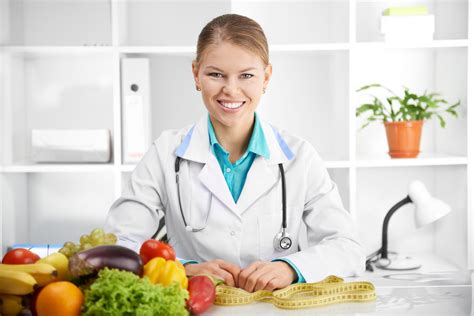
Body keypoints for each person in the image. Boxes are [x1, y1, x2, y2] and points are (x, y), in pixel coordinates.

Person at [104, 13, 365, 292]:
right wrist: (184, 267)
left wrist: (291, 268)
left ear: (266, 77)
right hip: (195, 305)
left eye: (246, 75)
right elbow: (119, 245)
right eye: (216, 74)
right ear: (196, 74)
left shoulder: (299, 156)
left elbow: (347, 247)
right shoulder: (165, 153)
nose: (231, 89)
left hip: (274, 308)